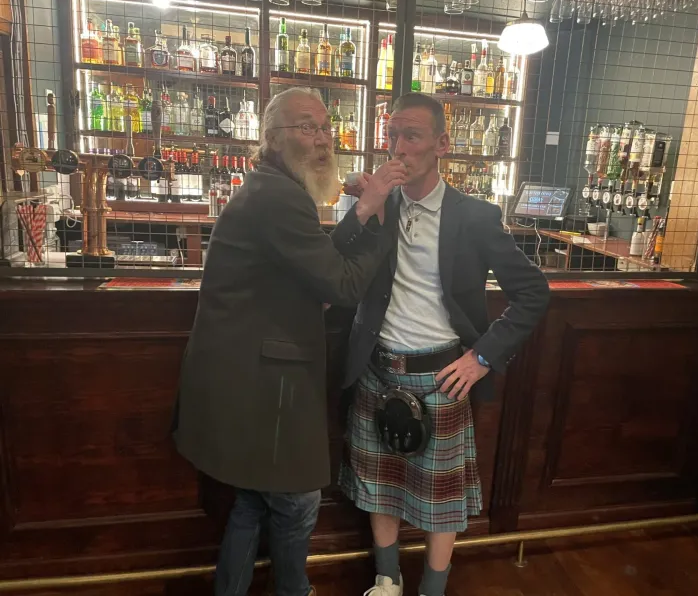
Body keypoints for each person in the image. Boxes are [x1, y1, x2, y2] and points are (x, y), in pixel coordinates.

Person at [172, 86, 407, 596]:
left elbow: (312, 260)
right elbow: (340, 284)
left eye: (325, 127)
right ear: (273, 138)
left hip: (243, 374)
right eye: (307, 127)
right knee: (297, 502)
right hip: (262, 378)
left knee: (252, 502)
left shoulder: (271, 188)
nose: (322, 139)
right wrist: (379, 225)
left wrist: (361, 213)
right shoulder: (278, 196)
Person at [337, 92, 550, 596]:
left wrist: (481, 359)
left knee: (440, 498)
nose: (398, 148)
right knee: (380, 488)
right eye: (391, 135)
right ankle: (387, 579)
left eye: (411, 135)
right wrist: (362, 207)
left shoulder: (474, 216)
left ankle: (432, 590)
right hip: (376, 368)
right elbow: (333, 267)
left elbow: (532, 293)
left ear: (442, 145)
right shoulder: (376, 204)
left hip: (442, 375)